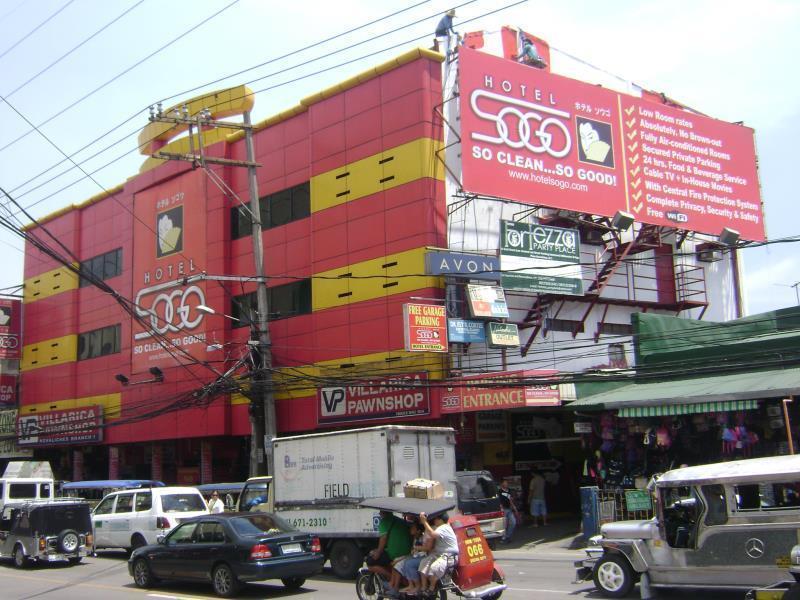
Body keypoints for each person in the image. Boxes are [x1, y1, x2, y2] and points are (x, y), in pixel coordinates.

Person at [366, 510, 412, 595]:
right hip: (407, 551)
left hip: (394, 553)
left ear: (384, 513)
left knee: (370, 562)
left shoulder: (384, 522)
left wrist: (378, 552)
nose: (379, 513)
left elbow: (383, 538)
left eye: (381, 512)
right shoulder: (400, 521)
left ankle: (391, 578)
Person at [418, 511, 459, 593]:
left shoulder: (444, 527)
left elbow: (433, 534)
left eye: (435, 519)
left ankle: (431, 589)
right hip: (438, 555)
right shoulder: (440, 527)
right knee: (423, 563)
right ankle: (423, 588)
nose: (434, 521)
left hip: (449, 556)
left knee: (434, 568)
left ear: (440, 520)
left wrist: (424, 522)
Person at [397, 520, 433, 594]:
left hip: (425, 556)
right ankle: (410, 585)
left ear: (418, 531)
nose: (410, 529)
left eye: (412, 528)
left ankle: (418, 585)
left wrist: (417, 548)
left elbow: (426, 549)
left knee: (409, 563)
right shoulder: (415, 538)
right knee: (405, 562)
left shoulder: (425, 536)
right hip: (418, 556)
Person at [498, 478, 519, 543]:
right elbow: (499, 501)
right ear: (501, 484)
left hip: (509, 509)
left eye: (507, 482)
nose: (506, 484)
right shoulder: (499, 491)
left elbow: (510, 500)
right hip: (503, 509)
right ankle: (504, 538)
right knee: (504, 524)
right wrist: (500, 508)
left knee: (513, 522)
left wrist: (515, 509)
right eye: (505, 482)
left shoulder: (509, 491)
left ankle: (508, 536)